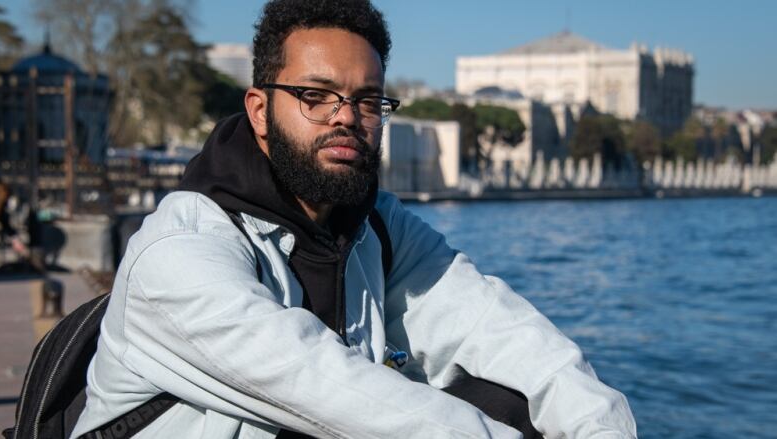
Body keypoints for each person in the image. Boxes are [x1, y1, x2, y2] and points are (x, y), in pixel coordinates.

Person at [72, 0, 637, 437]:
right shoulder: (181, 251)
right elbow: (328, 391)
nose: (346, 118)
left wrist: (600, 426)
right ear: (260, 110)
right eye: (315, 95)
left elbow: (504, 331)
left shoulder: (378, 227)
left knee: (509, 392)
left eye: (368, 100)